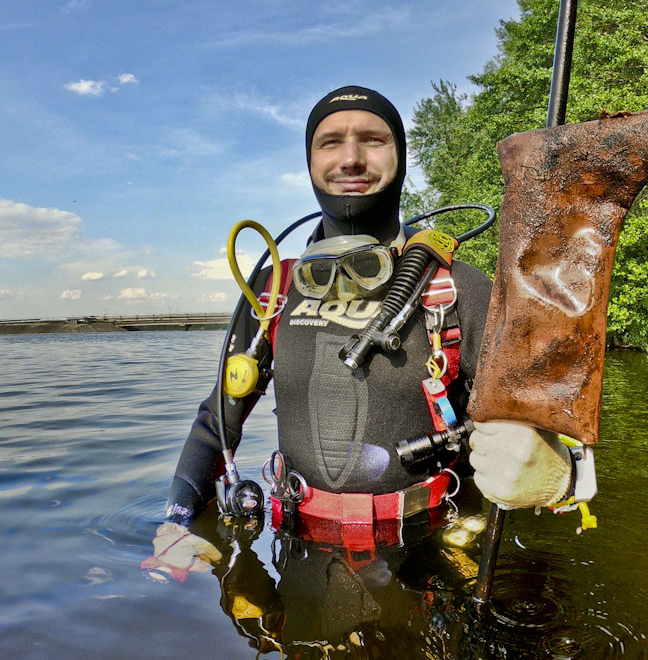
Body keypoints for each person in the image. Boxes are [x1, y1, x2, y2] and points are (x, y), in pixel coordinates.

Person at [147, 85, 573, 578]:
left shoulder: (460, 289)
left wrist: (560, 478)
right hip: (297, 552)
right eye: (329, 142)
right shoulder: (272, 290)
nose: (350, 158)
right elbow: (215, 424)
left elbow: (539, 434)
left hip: (429, 553)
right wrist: (176, 524)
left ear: (402, 158)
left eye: (372, 139)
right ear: (309, 163)